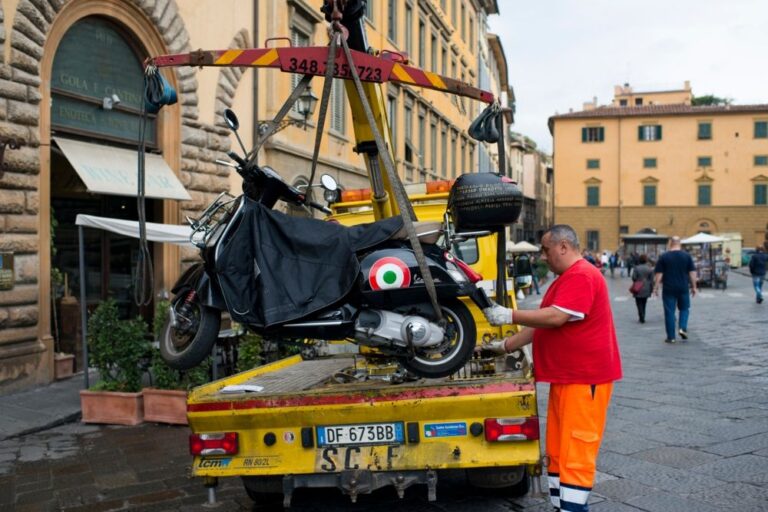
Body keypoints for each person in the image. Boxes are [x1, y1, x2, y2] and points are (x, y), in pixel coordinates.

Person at [482, 225, 622, 512]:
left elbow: (556, 317)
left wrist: (509, 313)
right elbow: (540, 324)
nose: (542, 257)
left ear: (563, 246)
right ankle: (563, 506)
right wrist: (504, 346)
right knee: (559, 450)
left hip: (585, 378)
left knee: (576, 448)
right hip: (568, 377)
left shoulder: (582, 274)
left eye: (545, 249)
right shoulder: (566, 278)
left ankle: (573, 508)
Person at [653, 236, 697, 343]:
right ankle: (682, 327)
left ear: (670, 243)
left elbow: (659, 274)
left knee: (669, 312)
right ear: (679, 243)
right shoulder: (686, 256)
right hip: (683, 287)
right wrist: (694, 286)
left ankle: (671, 337)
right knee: (684, 309)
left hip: (669, 288)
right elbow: (692, 272)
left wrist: (656, 287)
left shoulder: (664, 257)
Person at [630, 254, 654, 323]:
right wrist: (651, 289)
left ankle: (641, 316)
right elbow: (652, 280)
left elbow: (634, 278)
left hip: (638, 287)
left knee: (638, 303)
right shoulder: (649, 269)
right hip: (646, 287)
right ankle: (643, 315)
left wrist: (637, 280)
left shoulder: (636, 268)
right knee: (644, 302)